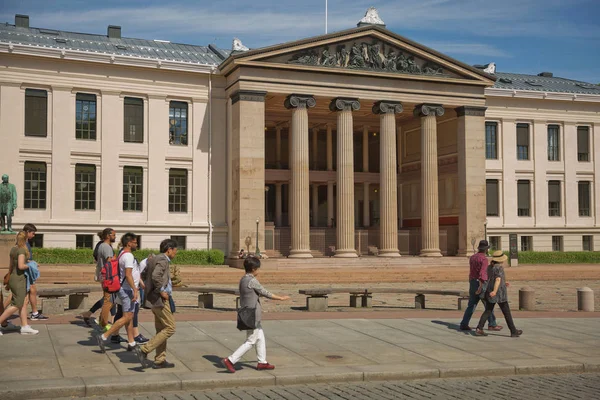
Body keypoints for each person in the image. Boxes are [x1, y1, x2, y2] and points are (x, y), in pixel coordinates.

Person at [221, 257, 290, 373]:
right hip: (251, 315)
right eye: (258, 268)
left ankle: (262, 362)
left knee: (260, 337)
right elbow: (265, 292)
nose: (259, 271)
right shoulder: (252, 281)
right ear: (253, 269)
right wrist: (281, 298)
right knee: (251, 340)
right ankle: (230, 360)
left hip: (247, 313)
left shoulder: (243, 279)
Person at [134, 239, 178, 369]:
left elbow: (143, 274)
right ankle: (144, 349)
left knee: (161, 330)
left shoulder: (153, 259)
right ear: (169, 250)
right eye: (175, 251)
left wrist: (148, 290)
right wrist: (161, 290)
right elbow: (155, 276)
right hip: (160, 300)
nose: (175, 254)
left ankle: (160, 359)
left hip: (154, 299)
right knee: (170, 328)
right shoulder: (163, 260)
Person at [95, 233, 140, 353]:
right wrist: (135, 289)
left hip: (121, 288)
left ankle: (131, 342)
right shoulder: (129, 256)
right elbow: (128, 275)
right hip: (127, 290)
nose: (137, 244)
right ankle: (104, 336)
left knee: (128, 317)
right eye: (135, 242)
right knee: (128, 316)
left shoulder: (121, 253)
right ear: (129, 243)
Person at [475, 250, 523, 337]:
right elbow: (497, 279)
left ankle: (479, 328)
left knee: (488, 311)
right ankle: (513, 331)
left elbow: (491, 279)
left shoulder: (490, 267)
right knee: (506, 312)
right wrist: (495, 291)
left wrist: (503, 284)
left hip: (489, 290)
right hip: (499, 293)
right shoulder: (499, 267)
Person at [459, 240, 502, 332]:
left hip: (472, 281)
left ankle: (464, 323)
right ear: (486, 249)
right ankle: (492, 324)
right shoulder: (484, 259)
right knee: (488, 304)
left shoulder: (472, 257)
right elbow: (482, 274)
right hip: (480, 283)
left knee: (471, 305)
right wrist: (481, 286)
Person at [0, 232, 38, 335]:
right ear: (25, 240)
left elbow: (11, 266)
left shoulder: (13, 249)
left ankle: (25, 326)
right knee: (17, 304)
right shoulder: (21, 250)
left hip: (13, 277)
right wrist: (31, 265)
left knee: (24, 303)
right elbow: (21, 266)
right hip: (19, 279)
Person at [81, 228, 116, 330]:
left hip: (104, 276)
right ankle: (102, 322)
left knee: (111, 298)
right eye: (113, 235)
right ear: (108, 236)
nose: (115, 237)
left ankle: (105, 319)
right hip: (108, 277)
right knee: (108, 299)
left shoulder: (102, 246)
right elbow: (109, 263)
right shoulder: (106, 247)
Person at [21, 223, 48, 321]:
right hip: (25, 271)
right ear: (27, 232)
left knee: (32, 290)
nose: (34, 235)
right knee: (20, 295)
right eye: (32, 233)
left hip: (28, 270)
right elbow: (21, 258)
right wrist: (31, 262)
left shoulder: (26, 242)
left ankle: (35, 312)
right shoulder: (22, 242)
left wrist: (32, 262)